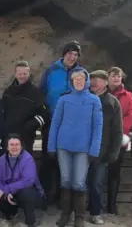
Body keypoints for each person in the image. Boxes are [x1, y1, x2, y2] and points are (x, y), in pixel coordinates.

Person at [47, 69, 103, 227]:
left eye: (81, 79)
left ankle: (79, 216)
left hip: (83, 148)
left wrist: (94, 149)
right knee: (65, 181)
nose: (78, 81)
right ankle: (65, 214)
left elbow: (97, 127)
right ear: (71, 82)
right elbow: (55, 123)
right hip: (63, 146)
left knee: (79, 182)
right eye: (75, 79)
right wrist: (51, 146)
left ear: (86, 80)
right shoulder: (64, 100)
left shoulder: (94, 100)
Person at [39, 41, 84, 205]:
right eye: (70, 53)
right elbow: (41, 93)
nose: (72, 57)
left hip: (71, 124)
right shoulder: (51, 71)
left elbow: (86, 95)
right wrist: (44, 111)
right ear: (63, 54)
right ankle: (45, 195)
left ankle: (61, 198)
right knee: (47, 157)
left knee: (65, 159)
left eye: (76, 54)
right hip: (51, 120)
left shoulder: (81, 73)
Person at [88, 70, 123, 224]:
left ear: (105, 83)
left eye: (98, 80)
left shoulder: (113, 103)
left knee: (97, 183)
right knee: (79, 182)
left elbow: (117, 130)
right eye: (92, 79)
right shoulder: (85, 98)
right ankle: (78, 211)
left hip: (102, 151)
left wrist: (114, 152)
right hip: (83, 148)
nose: (94, 82)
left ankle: (96, 213)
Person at [0, 134, 46, 227]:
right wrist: (3, 192)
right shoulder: (2, 159)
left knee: (26, 194)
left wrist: (7, 189)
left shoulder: (27, 158)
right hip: (10, 191)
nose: (14, 147)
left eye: (17, 144)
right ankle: (10, 214)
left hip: (29, 191)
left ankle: (31, 220)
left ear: (21, 146)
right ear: (7, 147)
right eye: (11, 144)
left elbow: (28, 181)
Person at [106, 66, 132, 214]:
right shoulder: (101, 93)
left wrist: (117, 129)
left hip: (119, 138)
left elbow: (131, 115)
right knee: (97, 170)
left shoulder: (128, 96)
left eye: (119, 76)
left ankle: (111, 204)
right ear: (108, 78)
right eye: (113, 76)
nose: (116, 79)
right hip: (103, 137)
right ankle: (94, 202)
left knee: (114, 171)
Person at [2, 61, 49, 153]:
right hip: (8, 136)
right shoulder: (8, 92)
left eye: (24, 73)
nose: (22, 76)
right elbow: (2, 112)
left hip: (26, 137)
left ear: (29, 74)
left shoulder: (35, 93)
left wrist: (30, 126)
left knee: (25, 164)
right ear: (15, 74)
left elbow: (44, 114)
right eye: (19, 73)